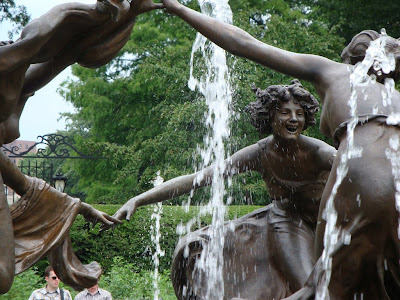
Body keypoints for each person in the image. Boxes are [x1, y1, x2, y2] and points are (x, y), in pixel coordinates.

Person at [155, 1, 400, 298]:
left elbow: (242, 43)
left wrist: (177, 7)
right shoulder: (391, 98)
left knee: (319, 289)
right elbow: (205, 175)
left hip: (360, 178)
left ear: (350, 60)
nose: (294, 119)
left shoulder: (335, 73)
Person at [114, 80, 337, 299]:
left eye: (299, 113)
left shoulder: (319, 152)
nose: (293, 119)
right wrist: (138, 200)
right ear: (270, 117)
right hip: (289, 221)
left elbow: (358, 168)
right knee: (307, 286)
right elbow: (198, 179)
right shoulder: (259, 153)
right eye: (285, 113)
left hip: (329, 223)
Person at [0, 0, 163, 294]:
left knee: (2, 275)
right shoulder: (9, 66)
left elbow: (25, 184)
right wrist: (98, 12)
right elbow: (35, 41)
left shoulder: (15, 84)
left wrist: (83, 209)